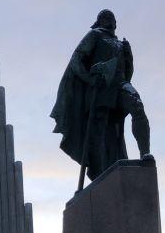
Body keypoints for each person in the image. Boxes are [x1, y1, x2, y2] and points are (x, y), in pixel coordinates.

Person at [51, 9, 151, 182]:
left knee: (137, 106)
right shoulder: (95, 35)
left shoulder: (120, 43)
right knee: (99, 131)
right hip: (101, 88)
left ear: (115, 23)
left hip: (120, 85)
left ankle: (145, 153)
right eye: (104, 17)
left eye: (110, 17)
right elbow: (77, 59)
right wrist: (89, 79)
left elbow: (128, 74)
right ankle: (101, 173)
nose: (108, 19)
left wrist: (129, 56)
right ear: (98, 22)